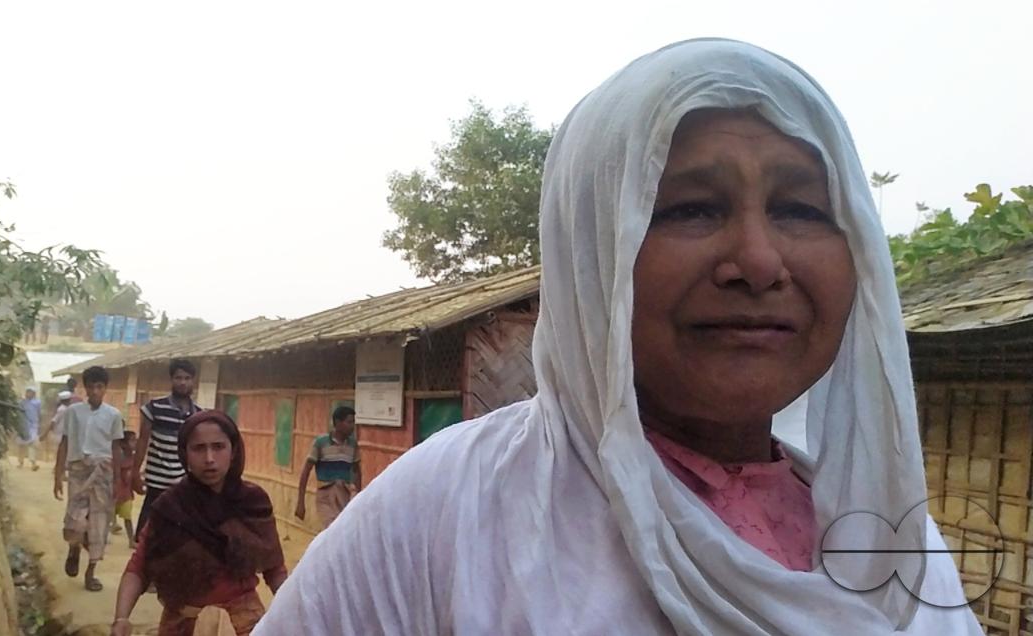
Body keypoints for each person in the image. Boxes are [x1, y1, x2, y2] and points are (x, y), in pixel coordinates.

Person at [256, 39, 982, 634]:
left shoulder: (893, 544)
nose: (760, 261)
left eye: (799, 208)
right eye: (693, 209)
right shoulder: (446, 514)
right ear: (589, 255)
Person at [110, 410, 288, 636]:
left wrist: (292, 615)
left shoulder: (253, 502)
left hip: (244, 623)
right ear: (184, 454)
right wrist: (121, 618)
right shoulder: (170, 507)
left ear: (233, 451)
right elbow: (139, 567)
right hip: (182, 623)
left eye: (218, 447)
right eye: (198, 448)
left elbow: (274, 568)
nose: (209, 458)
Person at [53, 365, 124, 592]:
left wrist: (119, 481)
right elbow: (64, 443)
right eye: (91, 386)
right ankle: (74, 549)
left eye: (99, 387)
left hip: (103, 471)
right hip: (78, 470)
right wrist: (57, 474)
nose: (94, 391)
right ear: (85, 388)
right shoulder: (73, 412)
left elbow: (116, 448)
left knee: (99, 524)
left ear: (105, 389)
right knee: (75, 521)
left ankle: (91, 572)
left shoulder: (114, 415)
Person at [132, 358, 201, 539]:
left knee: (178, 536)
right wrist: (134, 473)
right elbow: (142, 441)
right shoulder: (154, 408)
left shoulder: (198, 415)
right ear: (171, 380)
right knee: (145, 536)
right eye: (178, 378)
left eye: (187, 378)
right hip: (156, 481)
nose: (183, 382)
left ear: (193, 381)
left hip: (183, 483)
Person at [294, 405, 361, 528]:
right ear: (338, 423)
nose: (352, 426)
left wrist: (359, 497)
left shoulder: (353, 445)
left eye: (353, 422)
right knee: (332, 527)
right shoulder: (321, 443)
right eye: (349, 422)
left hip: (344, 494)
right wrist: (300, 502)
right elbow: (306, 471)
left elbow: (357, 471)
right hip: (325, 494)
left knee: (343, 528)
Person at [113, 430, 139, 548]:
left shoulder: (134, 458)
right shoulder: (118, 458)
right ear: (123, 444)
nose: (135, 443)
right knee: (105, 516)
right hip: (114, 493)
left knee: (128, 517)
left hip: (126, 494)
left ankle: (131, 540)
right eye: (132, 441)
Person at [41, 390, 74, 463]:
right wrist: (45, 434)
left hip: (62, 435)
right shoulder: (62, 409)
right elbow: (53, 421)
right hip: (60, 435)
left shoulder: (67, 409)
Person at [15, 388, 41, 471]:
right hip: (23, 425)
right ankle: (20, 462)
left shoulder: (37, 403)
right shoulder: (21, 402)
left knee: (33, 444)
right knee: (21, 445)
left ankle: (33, 463)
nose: (29, 394)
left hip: (33, 425)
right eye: (28, 392)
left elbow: (39, 413)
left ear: (34, 394)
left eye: (31, 392)